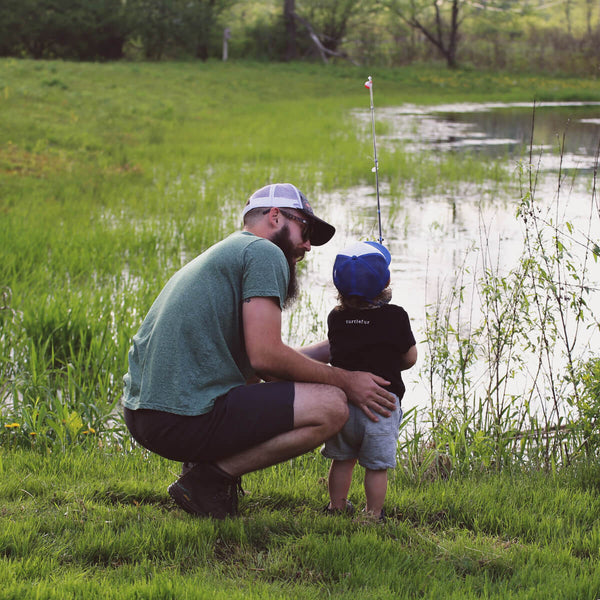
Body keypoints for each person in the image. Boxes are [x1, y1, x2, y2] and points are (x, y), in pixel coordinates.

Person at [122, 183, 397, 519]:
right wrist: (347, 381)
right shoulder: (264, 252)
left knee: (256, 385)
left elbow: (263, 368)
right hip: (179, 416)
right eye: (305, 229)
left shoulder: (231, 251)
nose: (308, 245)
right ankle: (206, 481)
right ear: (275, 216)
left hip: (146, 415)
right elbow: (267, 356)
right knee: (332, 405)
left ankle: (201, 469)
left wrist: (337, 347)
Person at [321, 240, 417, 521]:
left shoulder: (336, 318)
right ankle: (373, 514)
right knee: (376, 466)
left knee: (343, 459)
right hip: (380, 407)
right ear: (386, 281)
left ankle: (336, 507)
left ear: (339, 287)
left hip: (344, 404)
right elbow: (410, 358)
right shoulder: (396, 316)